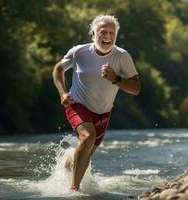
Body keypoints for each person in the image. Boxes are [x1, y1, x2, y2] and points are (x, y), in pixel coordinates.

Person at [52, 15, 141, 191]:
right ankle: (73, 190)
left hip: (103, 113)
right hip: (77, 104)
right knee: (88, 137)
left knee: (85, 155)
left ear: (115, 36)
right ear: (93, 34)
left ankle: (67, 160)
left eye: (111, 33)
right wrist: (62, 93)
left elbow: (136, 88)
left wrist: (115, 78)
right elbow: (58, 69)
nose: (107, 36)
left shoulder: (122, 56)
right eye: (103, 32)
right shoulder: (79, 52)